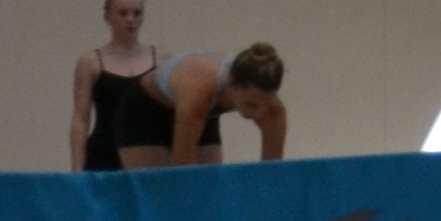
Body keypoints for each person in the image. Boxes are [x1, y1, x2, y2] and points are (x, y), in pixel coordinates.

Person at [85, 39, 289, 173]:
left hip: (201, 113)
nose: (259, 113)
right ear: (231, 83)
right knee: (161, 196)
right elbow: (182, 172)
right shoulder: (198, 92)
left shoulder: (273, 110)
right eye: (251, 105)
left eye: (265, 104)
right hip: (144, 113)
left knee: (209, 193)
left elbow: (271, 175)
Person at [68, 0, 166, 170]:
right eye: (123, 13)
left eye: (137, 13)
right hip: (104, 154)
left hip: (149, 154)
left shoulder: (161, 59)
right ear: (108, 17)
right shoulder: (90, 62)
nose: (130, 19)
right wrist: (77, 170)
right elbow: (80, 118)